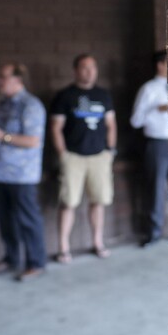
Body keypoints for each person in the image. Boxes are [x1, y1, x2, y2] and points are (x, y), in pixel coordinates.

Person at [0, 63, 48, 281]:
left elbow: (33, 140)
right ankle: (11, 257)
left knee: (27, 219)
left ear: (18, 80)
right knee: (5, 219)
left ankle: (36, 262)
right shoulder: (0, 105)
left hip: (22, 174)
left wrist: (3, 136)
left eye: (4, 77)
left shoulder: (31, 105)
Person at [50, 54, 116, 263]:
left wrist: (110, 151)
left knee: (99, 200)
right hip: (74, 158)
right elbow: (55, 128)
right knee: (68, 202)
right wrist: (63, 154)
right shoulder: (64, 96)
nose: (90, 72)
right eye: (85, 68)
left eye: (93, 68)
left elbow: (111, 124)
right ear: (76, 70)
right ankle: (63, 248)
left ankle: (97, 242)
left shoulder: (103, 95)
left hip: (99, 156)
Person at [130, 50, 168, 246]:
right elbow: (135, 121)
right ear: (160, 64)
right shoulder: (148, 89)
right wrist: (156, 109)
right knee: (156, 190)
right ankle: (153, 233)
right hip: (157, 143)